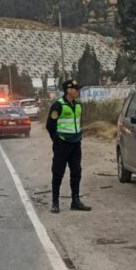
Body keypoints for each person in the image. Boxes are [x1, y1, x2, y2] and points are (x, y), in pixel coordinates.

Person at [46, 79, 91, 214]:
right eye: (76, 89)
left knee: (76, 172)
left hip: (75, 143)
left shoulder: (78, 105)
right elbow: (50, 125)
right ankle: (55, 202)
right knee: (58, 172)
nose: (78, 91)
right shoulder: (58, 105)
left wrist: (79, 135)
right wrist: (57, 139)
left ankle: (75, 201)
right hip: (62, 144)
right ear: (68, 90)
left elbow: (78, 121)